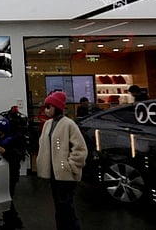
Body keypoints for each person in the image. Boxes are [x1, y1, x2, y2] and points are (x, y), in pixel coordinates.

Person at [36, 91, 88, 230]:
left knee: (66, 208)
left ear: (56, 107)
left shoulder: (68, 124)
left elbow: (80, 148)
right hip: (53, 174)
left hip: (66, 175)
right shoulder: (48, 124)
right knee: (60, 208)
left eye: (48, 106)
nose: (46, 110)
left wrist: (71, 166)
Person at [0, 116, 26, 229]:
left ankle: (13, 222)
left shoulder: (15, 139)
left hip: (10, 173)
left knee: (7, 198)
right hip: (3, 173)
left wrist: (5, 152)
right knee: (6, 198)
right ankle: (11, 221)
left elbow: (18, 155)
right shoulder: (3, 139)